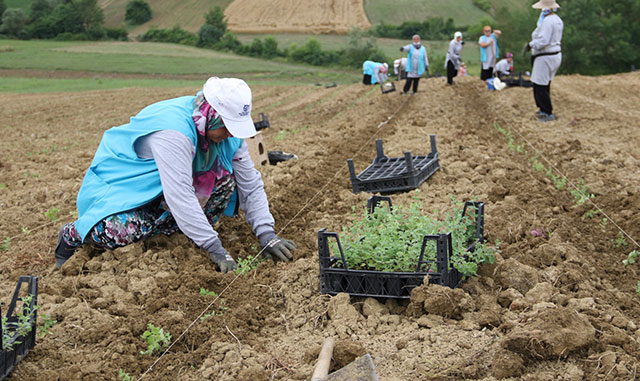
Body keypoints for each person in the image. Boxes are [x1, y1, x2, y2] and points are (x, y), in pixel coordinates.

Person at [54, 77, 296, 272]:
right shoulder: (174, 132)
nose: (231, 134)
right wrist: (214, 247)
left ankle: (175, 232)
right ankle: (73, 234)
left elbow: (250, 184)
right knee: (114, 232)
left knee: (225, 181)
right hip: (125, 189)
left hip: (164, 191)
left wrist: (267, 233)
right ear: (211, 115)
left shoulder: (226, 137)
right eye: (227, 127)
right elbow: (179, 195)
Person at [524, 1, 563, 122]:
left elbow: (543, 41)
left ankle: (546, 111)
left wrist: (531, 44)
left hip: (545, 56)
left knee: (539, 85)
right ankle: (545, 109)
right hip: (555, 54)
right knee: (545, 83)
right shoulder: (557, 20)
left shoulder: (547, 22)